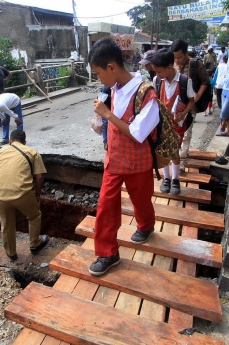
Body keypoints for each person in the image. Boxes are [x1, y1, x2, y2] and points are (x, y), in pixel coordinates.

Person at [88, 37, 159, 276]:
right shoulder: (112, 89)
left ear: (111, 67)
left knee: (141, 200)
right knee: (106, 205)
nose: (99, 79)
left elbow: (139, 133)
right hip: (114, 158)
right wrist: (100, 122)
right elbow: (110, 123)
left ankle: (146, 226)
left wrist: (107, 115)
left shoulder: (146, 93)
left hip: (138, 160)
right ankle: (107, 252)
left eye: (98, 73)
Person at [0, 129, 49, 261]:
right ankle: (35, 243)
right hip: (22, 193)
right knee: (34, 216)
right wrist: (37, 195)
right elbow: (39, 177)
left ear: (10, 141)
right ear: (25, 141)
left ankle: (11, 253)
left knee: (6, 223)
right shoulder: (32, 152)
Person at [150, 49, 195, 195]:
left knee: (175, 151)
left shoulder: (184, 81)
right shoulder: (157, 81)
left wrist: (183, 113)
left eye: (159, 71)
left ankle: (175, 179)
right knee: (162, 150)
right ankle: (166, 178)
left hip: (177, 125)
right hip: (162, 124)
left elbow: (191, 101)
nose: (157, 75)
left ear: (169, 68)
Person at [170, 40, 210, 159]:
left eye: (179, 57)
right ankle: (176, 154)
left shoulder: (195, 65)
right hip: (175, 105)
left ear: (186, 53)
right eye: (174, 58)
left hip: (190, 105)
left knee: (187, 131)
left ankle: (182, 156)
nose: (177, 61)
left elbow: (205, 81)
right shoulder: (171, 65)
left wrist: (198, 94)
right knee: (174, 130)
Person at [101, 85, 112, 150]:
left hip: (108, 104)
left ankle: (106, 141)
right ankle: (105, 141)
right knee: (105, 122)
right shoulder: (106, 86)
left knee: (105, 122)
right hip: (107, 104)